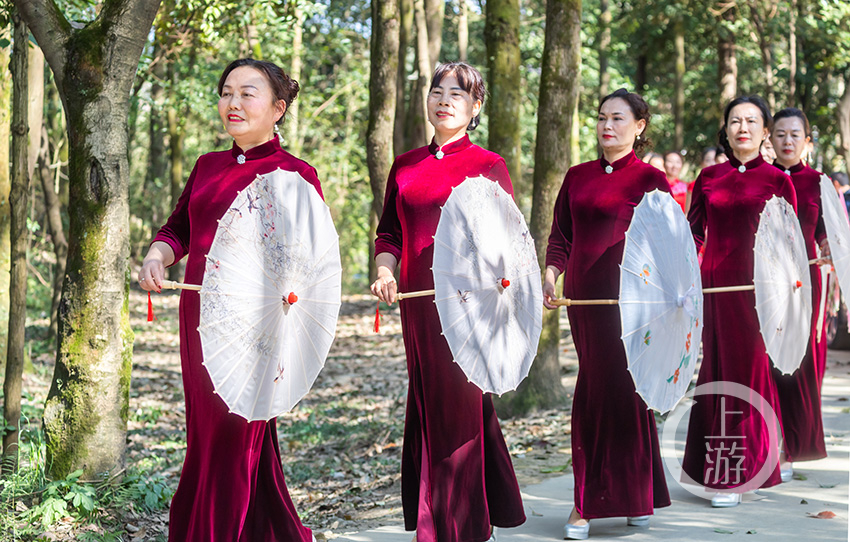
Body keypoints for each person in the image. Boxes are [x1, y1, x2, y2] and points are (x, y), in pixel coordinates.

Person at [138, 59, 320, 542]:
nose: (233, 103)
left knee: (232, 435)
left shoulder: (295, 175)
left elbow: (308, 260)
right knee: (209, 432)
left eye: (247, 93)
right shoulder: (206, 166)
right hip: (200, 323)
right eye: (226, 93)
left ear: (278, 109)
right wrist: (158, 257)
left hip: (258, 327)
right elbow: (177, 230)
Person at [371, 61, 525, 542]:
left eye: (457, 94)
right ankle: (479, 511)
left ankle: (456, 527)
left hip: (469, 306)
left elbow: (507, 241)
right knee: (435, 402)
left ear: (475, 106)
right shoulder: (406, 164)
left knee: (458, 405)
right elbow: (389, 232)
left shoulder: (488, 165)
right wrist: (383, 269)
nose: (444, 100)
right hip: (417, 306)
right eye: (437, 91)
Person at [543, 88, 671, 540]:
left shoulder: (651, 181)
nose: (606, 126)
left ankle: (631, 494)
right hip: (584, 301)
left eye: (618, 118)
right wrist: (551, 274)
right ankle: (588, 501)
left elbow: (667, 246)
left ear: (639, 127)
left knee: (628, 387)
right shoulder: (577, 177)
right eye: (601, 117)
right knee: (595, 388)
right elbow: (560, 235)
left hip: (634, 301)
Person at [682, 96, 797, 508]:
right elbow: (691, 235)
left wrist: (785, 290)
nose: (742, 127)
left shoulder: (778, 181)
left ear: (765, 131)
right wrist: (682, 272)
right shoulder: (708, 177)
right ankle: (719, 466)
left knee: (747, 373)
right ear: (726, 129)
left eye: (751, 121)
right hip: (713, 289)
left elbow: (788, 244)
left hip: (757, 293)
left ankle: (736, 473)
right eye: (735, 121)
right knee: (715, 369)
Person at [769, 107, 830, 479]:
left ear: (806, 141)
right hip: (767, 284)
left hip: (806, 285)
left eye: (795, 135)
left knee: (801, 366)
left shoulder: (820, 182)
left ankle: (793, 445)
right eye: (780, 134)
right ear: (769, 139)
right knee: (771, 365)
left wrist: (825, 246)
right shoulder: (764, 178)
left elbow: (826, 230)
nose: (787, 141)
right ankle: (772, 442)